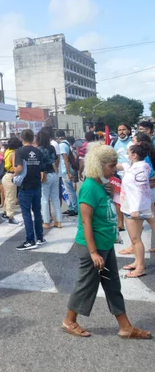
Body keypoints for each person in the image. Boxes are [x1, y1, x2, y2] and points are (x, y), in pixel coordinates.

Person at [62, 144, 152, 340]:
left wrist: (110, 192)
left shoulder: (101, 185)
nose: (114, 169)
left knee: (113, 286)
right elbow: (86, 221)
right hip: (92, 247)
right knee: (86, 286)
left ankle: (125, 327)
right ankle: (69, 321)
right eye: (111, 166)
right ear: (99, 165)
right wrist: (93, 253)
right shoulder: (88, 188)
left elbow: (107, 210)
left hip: (105, 244)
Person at [118, 141, 155, 278]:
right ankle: (137, 262)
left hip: (135, 209)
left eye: (128, 152)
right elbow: (119, 166)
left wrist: (135, 209)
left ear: (134, 155)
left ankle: (140, 267)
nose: (126, 154)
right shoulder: (135, 166)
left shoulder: (140, 168)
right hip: (130, 206)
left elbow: (140, 191)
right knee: (135, 238)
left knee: (135, 239)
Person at [15, 129, 45, 250]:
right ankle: (40, 237)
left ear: (22, 138)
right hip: (37, 185)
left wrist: (13, 174)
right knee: (37, 212)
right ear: (33, 138)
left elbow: (20, 168)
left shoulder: (20, 151)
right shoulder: (38, 151)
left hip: (25, 186)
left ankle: (30, 240)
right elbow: (42, 169)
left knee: (26, 214)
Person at [37, 131, 62, 229]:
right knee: (55, 198)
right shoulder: (51, 148)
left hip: (44, 174)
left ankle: (46, 221)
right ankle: (59, 221)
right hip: (54, 173)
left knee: (44, 199)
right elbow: (56, 159)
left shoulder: (38, 150)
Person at [113, 123, 133, 230]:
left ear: (128, 131)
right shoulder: (114, 142)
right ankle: (120, 223)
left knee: (131, 200)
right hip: (118, 175)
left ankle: (134, 222)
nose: (121, 132)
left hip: (131, 175)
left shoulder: (133, 143)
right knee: (118, 199)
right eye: (119, 130)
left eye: (123, 129)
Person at [2, 136, 23, 225]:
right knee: (11, 198)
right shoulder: (13, 153)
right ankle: (10, 217)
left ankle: (5, 213)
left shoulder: (7, 151)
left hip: (6, 175)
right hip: (11, 175)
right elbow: (15, 166)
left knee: (7, 196)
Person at [57, 130, 78, 217]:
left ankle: (75, 208)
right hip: (68, 169)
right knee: (68, 190)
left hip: (66, 170)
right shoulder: (67, 144)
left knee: (70, 190)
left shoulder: (62, 145)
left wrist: (68, 172)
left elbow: (65, 158)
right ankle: (70, 208)